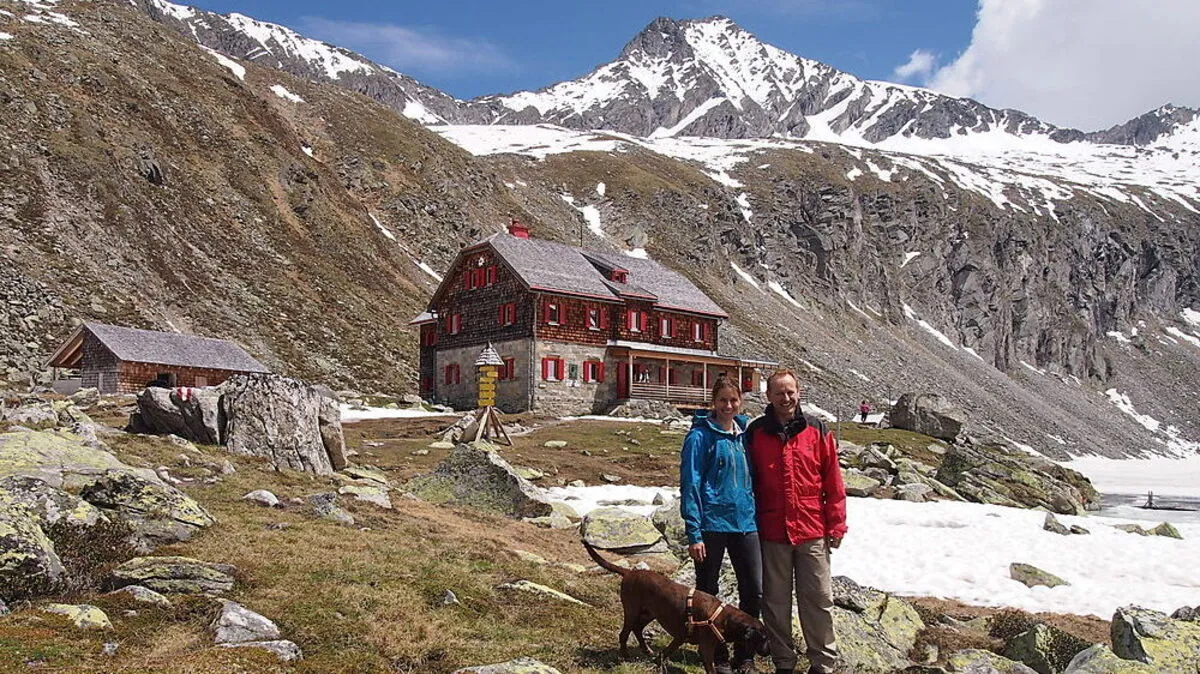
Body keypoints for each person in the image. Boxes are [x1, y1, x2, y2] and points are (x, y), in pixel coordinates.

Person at [745, 370, 847, 674]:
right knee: (775, 603)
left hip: (812, 530)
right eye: (779, 393)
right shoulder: (756, 433)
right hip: (773, 531)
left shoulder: (817, 429)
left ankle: (822, 664)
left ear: (798, 392)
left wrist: (837, 524)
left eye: (790, 392)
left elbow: (833, 480)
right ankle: (784, 663)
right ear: (769, 396)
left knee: (817, 599)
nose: (785, 398)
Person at [680, 377, 761, 674]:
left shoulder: (744, 435)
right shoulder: (699, 437)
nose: (728, 406)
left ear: (740, 401)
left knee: (753, 590)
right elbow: (691, 484)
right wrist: (694, 532)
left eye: (733, 400)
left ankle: (746, 654)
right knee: (708, 593)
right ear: (713, 402)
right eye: (723, 400)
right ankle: (717, 654)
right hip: (712, 524)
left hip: (745, 523)